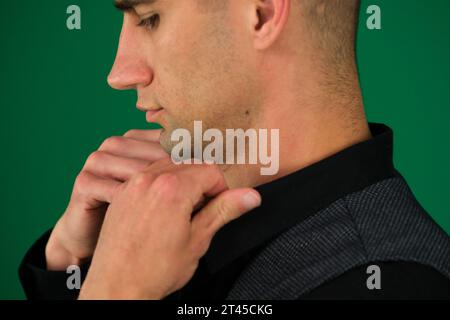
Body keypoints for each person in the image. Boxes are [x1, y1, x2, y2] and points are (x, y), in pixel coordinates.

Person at [20, 0, 450, 300]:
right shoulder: (163, 229)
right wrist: (73, 266)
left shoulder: (388, 284)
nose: (119, 73)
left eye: (149, 18)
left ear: (261, 13)